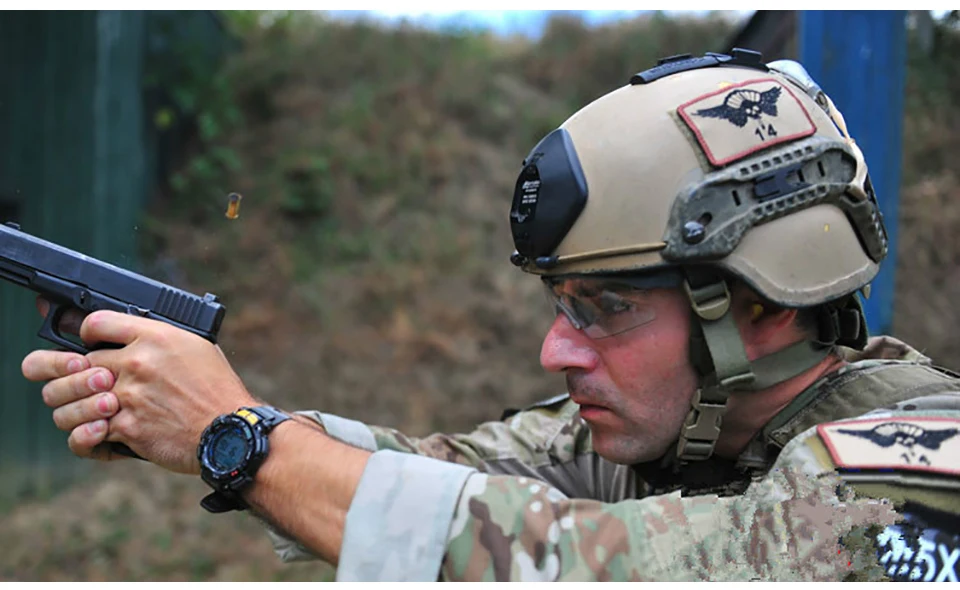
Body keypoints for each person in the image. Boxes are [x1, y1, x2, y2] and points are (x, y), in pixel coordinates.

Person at [20, 49, 960, 582]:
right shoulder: (667, 435)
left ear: (755, 306)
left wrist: (241, 444)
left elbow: (588, 566)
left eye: (606, 308)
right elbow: (439, 475)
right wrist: (202, 419)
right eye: (561, 305)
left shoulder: (920, 473)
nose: (556, 349)